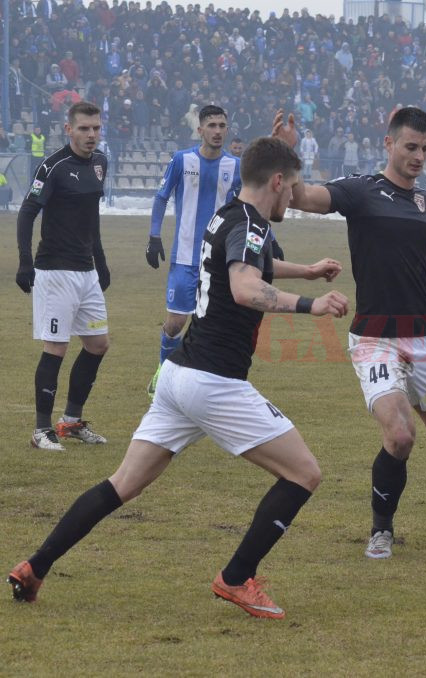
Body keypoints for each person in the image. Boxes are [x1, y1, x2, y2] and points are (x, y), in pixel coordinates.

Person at [7, 137, 350, 619]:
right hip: (214, 383)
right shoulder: (251, 224)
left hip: (178, 376)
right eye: (291, 188)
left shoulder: (228, 213)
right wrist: (312, 304)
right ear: (276, 182)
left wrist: (308, 272)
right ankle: (236, 578)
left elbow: (251, 264)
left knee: (120, 484)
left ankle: (34, 565)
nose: (293, 199)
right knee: (304, 473)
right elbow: (246, 284)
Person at [271, 107, 426, 559]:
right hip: (375, 339)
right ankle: (382, 529)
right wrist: (286, 150)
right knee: (399, 436)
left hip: (423, 337)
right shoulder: (361, 191)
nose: (419, 156)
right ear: (388, 143)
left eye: (425, 149)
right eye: (411, 147)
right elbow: (301, 197)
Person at [16, 102, 110, 451]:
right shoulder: (52, 166)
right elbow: (27, 213)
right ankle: (42, 430)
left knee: (98, 345)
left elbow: (92, 217)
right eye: (84, 129)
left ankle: (70, 422)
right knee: (56, 346)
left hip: (86, 272)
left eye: (96, 128)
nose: (91, 135)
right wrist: (26, 263)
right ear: (68, 129)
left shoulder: (100, 163)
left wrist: (100, 261)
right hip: (55, 272)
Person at [146, 105, 242, 397]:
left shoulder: (235, 166)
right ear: (200, 130)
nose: (217, 131)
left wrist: (270, 239)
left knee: (215, 322)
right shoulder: (181, 159)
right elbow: (162, 197)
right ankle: (163, 375)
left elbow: (248, 205)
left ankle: (203, 380)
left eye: (222, 125)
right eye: (211, 125)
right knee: (176, 323)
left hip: (218, 259)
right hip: (185, 257)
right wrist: (154, 236)